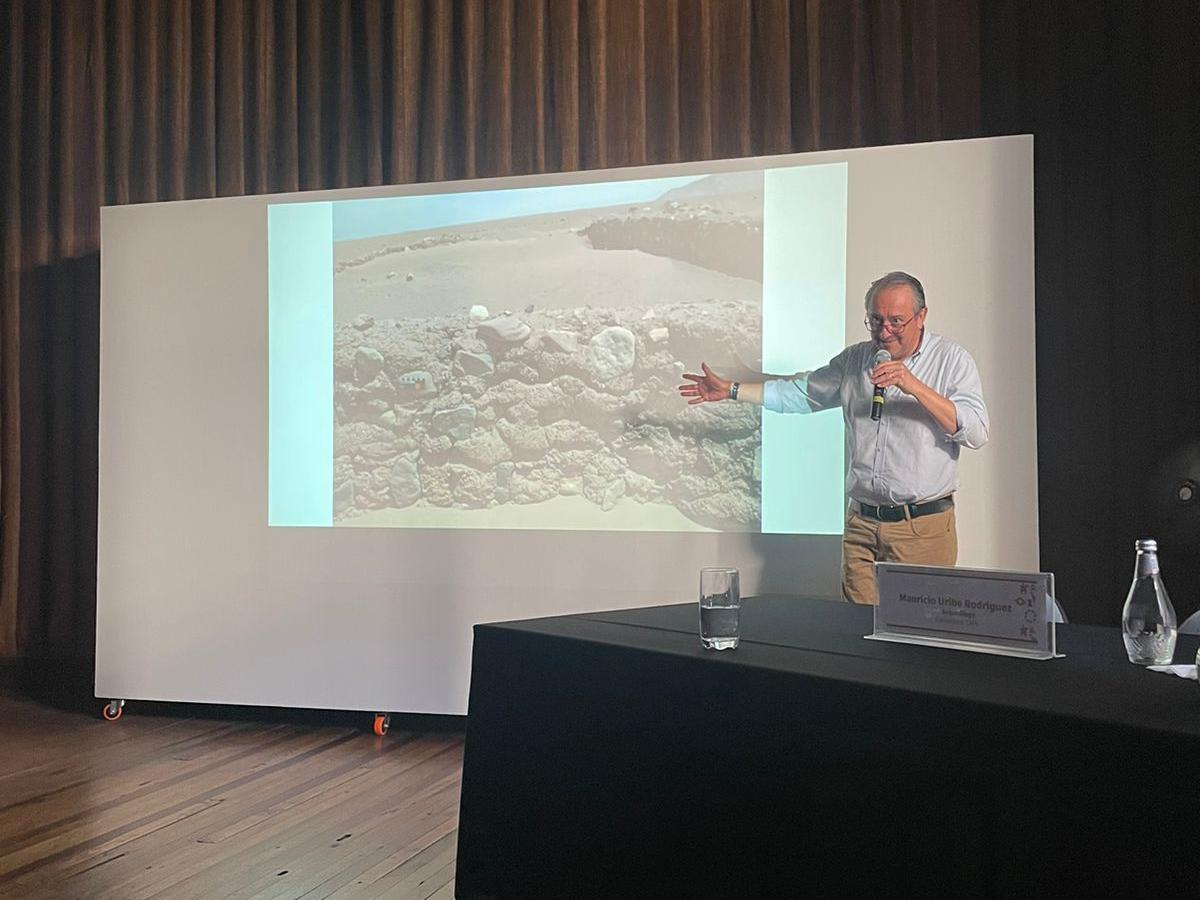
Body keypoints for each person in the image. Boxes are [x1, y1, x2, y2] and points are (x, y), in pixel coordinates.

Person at [678, 271, 989, 604]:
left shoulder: (952, 360)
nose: (884, 333)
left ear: (921, 316)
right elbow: (800, 395)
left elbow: (976, 432)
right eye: (876, 320)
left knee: (916, 642)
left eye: (896, 322)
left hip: (921, 529)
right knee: (857, 639)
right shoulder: (855, 360)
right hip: (862, 525)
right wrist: (731, 390)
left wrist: (912, 385)